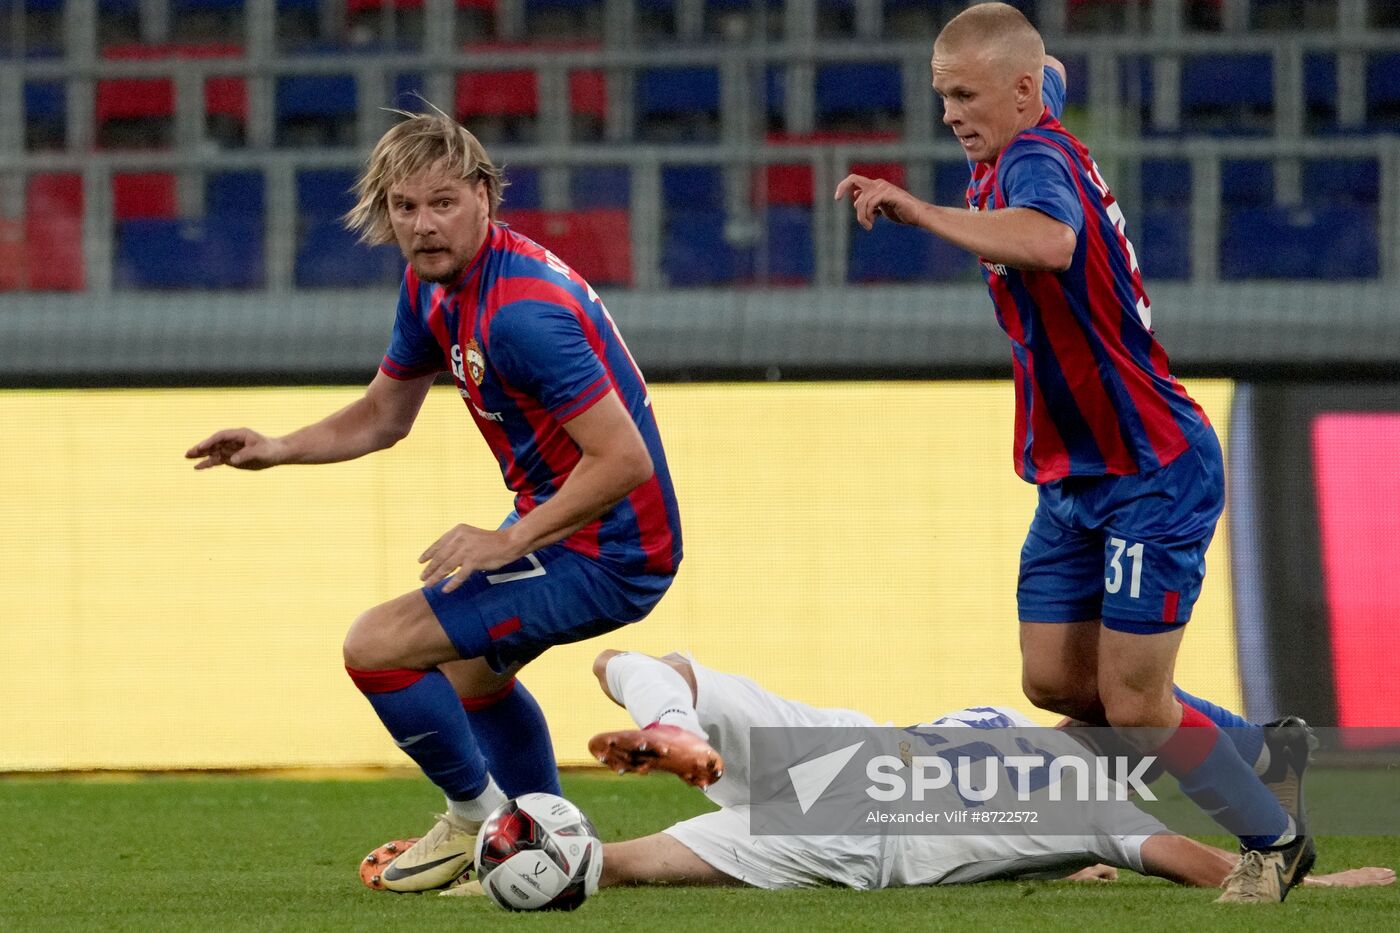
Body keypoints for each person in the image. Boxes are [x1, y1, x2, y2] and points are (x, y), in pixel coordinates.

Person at [835, 2, 1312, 903]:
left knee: (1134, 702)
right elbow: (1043, 68)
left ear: (1017, 95)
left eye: (965, 94)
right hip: (1072, 478)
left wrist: (917, 209)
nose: (950, 115)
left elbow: (1051, 241)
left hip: (1150, 469)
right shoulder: (1023, 116)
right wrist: (1013, 65)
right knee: (1056, 679)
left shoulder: (1037, 159)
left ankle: (1274, 838)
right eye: (942, 97)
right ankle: (1259, 749)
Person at [186, 110, 683, 892]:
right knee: (470, 677)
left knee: (377, 643)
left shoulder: (521, 312)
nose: (422, 225)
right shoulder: (433, 286)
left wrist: (510, 539)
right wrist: (278, 446)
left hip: (611, 549)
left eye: (443, 202)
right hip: (571, 528)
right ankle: (549, 851)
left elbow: (622, 460)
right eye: (404, 207)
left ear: (487, 196)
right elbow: (385, 414)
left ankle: (478, 823)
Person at [429, 650, 1392, 896]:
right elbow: (1199, 859)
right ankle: (516, 852)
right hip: (856, 826)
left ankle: (665, 723)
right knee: (609, 866)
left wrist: (1069, 859)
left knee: (650, 665)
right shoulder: (1096, 807)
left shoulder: (1004, 725)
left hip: (846, 753)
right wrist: (1326, 878)